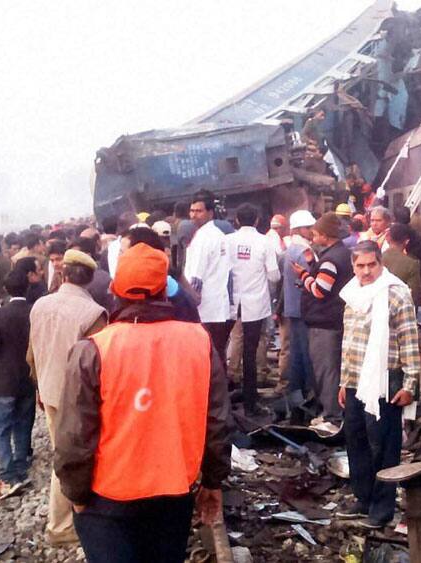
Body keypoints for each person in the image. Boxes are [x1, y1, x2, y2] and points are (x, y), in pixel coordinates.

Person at [54, 242, 232, 563]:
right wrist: (213, 481)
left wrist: (76, 494)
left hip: (106, 498)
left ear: (114, 290)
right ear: (165, 289)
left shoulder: (93, 349)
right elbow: (217, 419)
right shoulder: (198, 341)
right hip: (173, 493)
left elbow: (74, 436)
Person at [336, 240, 420, 529]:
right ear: (353, 266)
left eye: (372, 264)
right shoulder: (352, 294)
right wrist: (343, 382)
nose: (366, 271)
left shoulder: (395, 295)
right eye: (360, 266)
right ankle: (363, 499)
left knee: (384, 446)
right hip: (355, 380)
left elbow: (409, 342)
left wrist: (410, 384)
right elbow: (349, 342)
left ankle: (382, 508)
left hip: (385, 380)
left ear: (381, 264)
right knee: (356, 440)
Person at [28, 249, 108, 545]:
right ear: (90, 279)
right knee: (71, 457)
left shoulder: (40, 305)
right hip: (78, 398)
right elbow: (101, 362)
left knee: (63, 453)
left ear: (63, 274)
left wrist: (37, 386)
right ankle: (61, 526)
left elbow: (33, 351)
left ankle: (67, 519)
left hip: (48, 389)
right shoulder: (93, 313)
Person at [293, 212, 353, 423]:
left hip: (324, 323)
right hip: (336, 319)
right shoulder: (343, 254)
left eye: (316, 235)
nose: (313, 238)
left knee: (326, 370)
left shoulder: (330, 260)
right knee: (334, 368)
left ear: (326, 236)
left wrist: (303, 275)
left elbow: (320, 290)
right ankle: (336, 411)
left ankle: (332, 416)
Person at [224, 204, 281, 415]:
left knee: (225, 345)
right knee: (250, 351)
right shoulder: (264, 242)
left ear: (237, 220)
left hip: (230, 302)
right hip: (255, 304)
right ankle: (250, 402)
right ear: (257, 220)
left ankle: (223, 398)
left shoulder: (227, 241)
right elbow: (274, 275)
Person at [0, 269, 36, 490]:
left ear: (6, 289)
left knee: (2, 428)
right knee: (24, 424)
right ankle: (21, 464)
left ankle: (7, 473)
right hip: (27, 378)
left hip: (3, 380)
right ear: (27, 287)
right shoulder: (34, 312)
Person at [184, 190, 233, 368]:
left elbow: (196, 279)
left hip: (204, 307)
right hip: (218, 306)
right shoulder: (218, 235)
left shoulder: (204, 238)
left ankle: (212, 395)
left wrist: (188, 303)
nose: (193, 215)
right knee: (217, 353)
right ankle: (221, 394)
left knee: (207, 356)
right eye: (192, 211)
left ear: (210, 213)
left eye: (199, 211)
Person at [281, 210, 317, 420]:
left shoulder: (290, 248)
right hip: (303, 308)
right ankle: (305, 399)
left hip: (293, 307)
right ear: (300, 229)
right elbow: (308, 279)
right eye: (308, 227)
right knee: (305, 356)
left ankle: (296, 397)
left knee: (297, 355)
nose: (312, 231)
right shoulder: (303, 250)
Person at [382, 225, 421, 306]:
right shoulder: (412, 264)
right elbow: (414, 295)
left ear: (387, 238)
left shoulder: (377, 258)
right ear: (406, 241)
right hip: (400, 308)